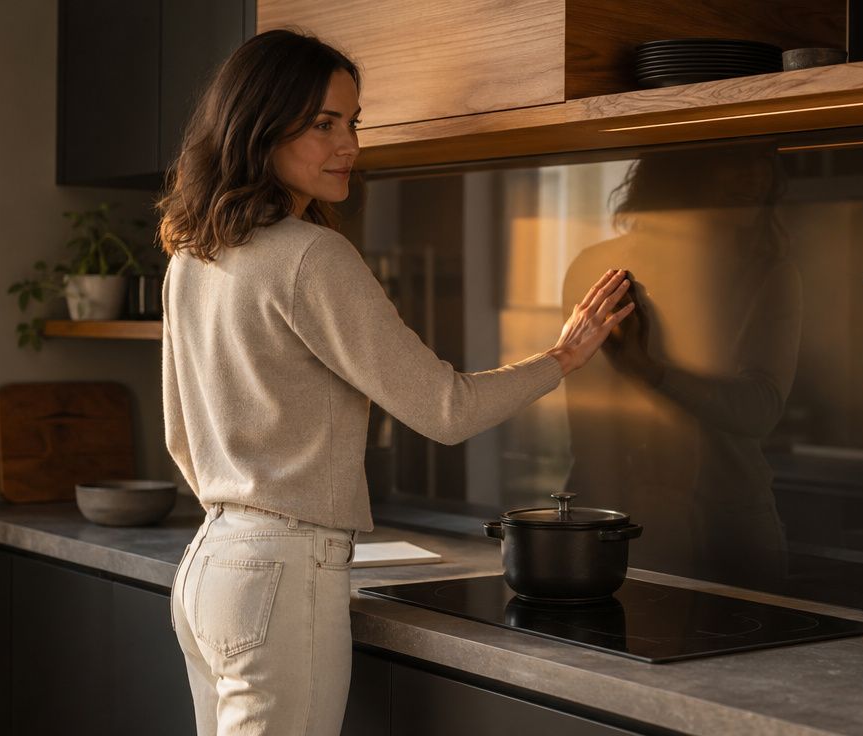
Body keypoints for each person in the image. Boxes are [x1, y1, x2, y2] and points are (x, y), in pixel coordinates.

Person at [157, 30, 632, 736]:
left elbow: (180, 437)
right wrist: (560, 358)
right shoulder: (313, 257)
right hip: (281, 575)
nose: (349, 144)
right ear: (259, 124)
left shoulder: (193, 256)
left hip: (209, 567)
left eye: (353, 122)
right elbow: (446, 409)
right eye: (324, 124)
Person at [561, 145, 803, 591]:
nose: (756, 174)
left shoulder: (768, 275)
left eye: (762, 158)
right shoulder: (599, 269)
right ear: (681, 168)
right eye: (735, 156)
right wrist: (584, 521)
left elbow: (760, 410)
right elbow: (589, 424)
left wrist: (654, 372)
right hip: (615, 522)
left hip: (727, 531)